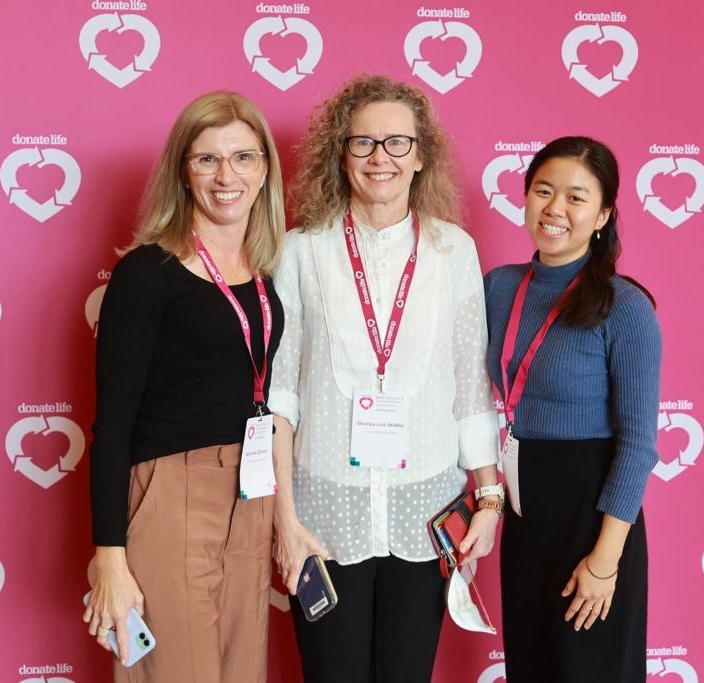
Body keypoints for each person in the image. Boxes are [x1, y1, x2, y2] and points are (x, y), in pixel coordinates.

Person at [268, 74, 502, 683]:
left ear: (421, 155)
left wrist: (489, 498)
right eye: (362, 143)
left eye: (397, 143)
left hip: (422, 513)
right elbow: (281, 399)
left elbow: (470, 386)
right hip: (323, 516)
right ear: (339, 154)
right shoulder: (299, 250)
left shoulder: (455, 252)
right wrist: (286, 523)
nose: (380, 158)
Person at [82, 91, 286, 683]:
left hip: (251, 496)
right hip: (173, 494)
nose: (228, 176)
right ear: (182, 170)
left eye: (243, 158)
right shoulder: (146, 273)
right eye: (207, 159)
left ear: (265, 166)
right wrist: (111, 562)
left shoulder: (267, 271)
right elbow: (113, 424)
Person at [484, 136, 661, 681]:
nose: (555, 209)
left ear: (603, 213)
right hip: (524, 510)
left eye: (576, 197)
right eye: (543, 191)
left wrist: (605, 563)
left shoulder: (625, 306)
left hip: (593, 517)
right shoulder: (498, 287)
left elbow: (637, 447)